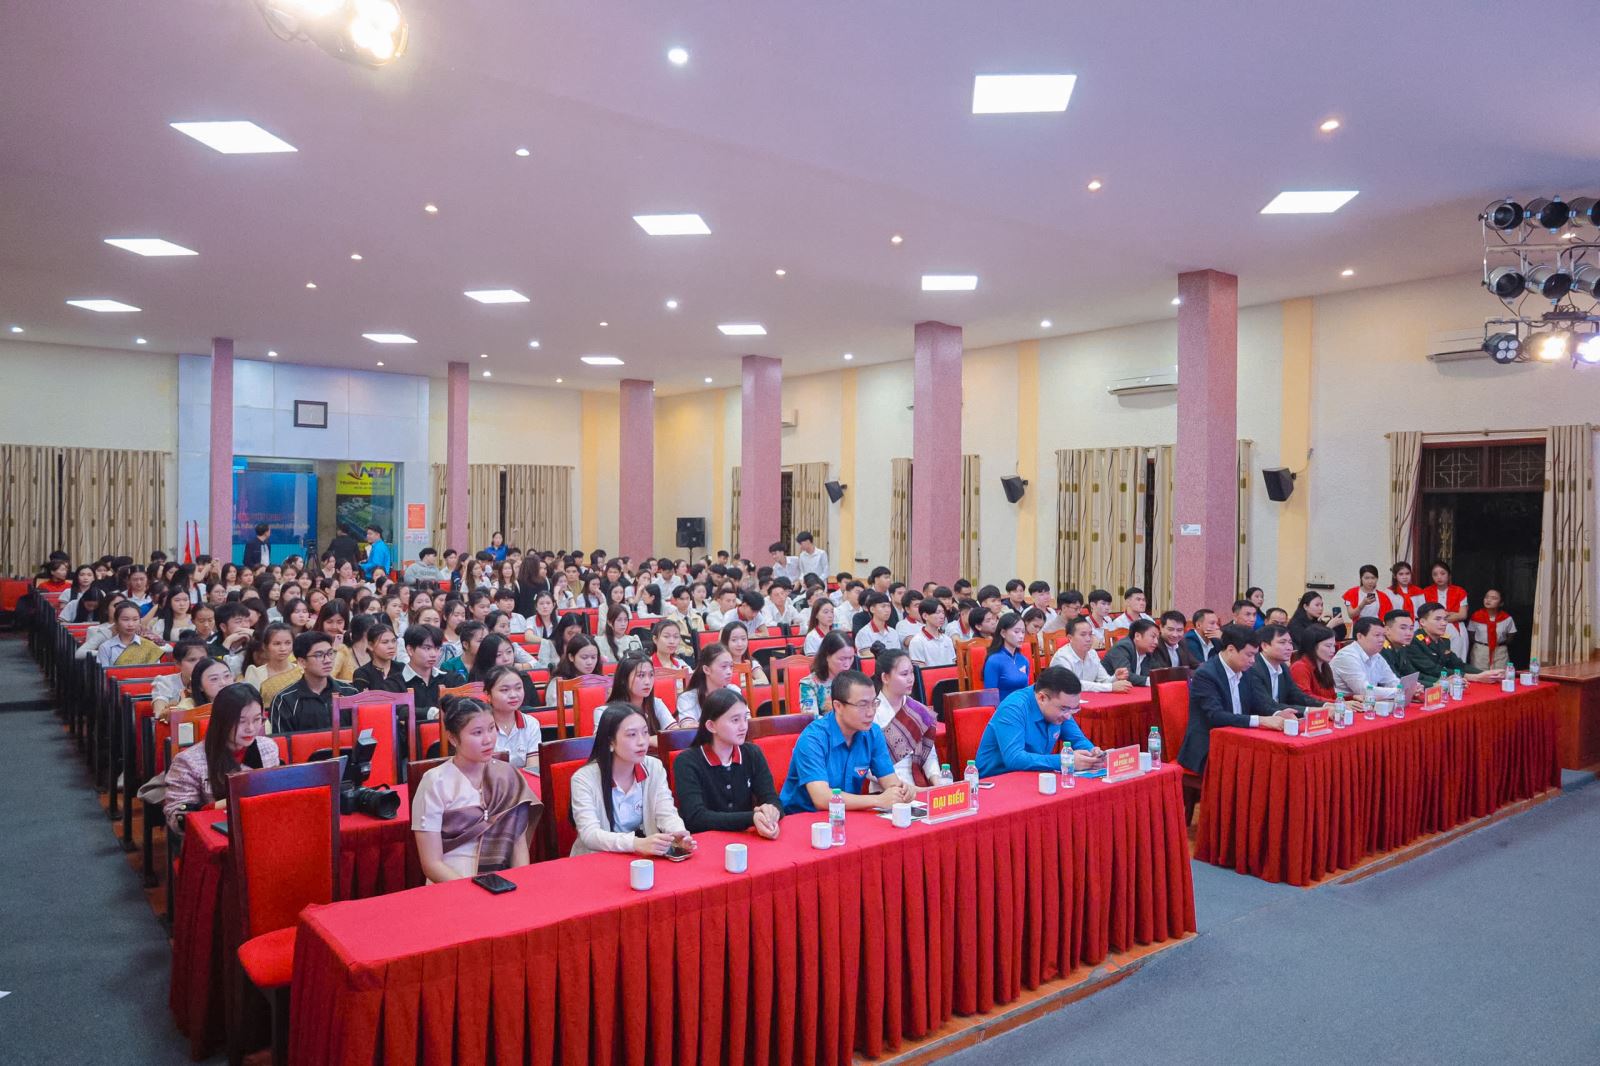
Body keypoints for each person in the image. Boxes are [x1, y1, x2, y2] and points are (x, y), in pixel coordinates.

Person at [411, 696, 539, 882]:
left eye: (491, 728)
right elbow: (432, 864)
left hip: (501, 883)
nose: (488, 739)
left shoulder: (508, 775)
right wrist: (471, 891)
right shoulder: (435, 782)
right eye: (477, 733)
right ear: (453, 738)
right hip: (451, 885)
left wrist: (520, 883)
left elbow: (518, 846)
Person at [569, 703, 695, 857]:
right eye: (632, 735)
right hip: (596, 858)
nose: (642, 741)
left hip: (639, 856)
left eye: (645, 732)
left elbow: (666, 812)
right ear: (610, 742)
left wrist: (678, 832)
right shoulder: (584, 779)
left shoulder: (654, 767)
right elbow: (590, 834)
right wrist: (636, 843)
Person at [779, 670, 912, 813]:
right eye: (862, 705)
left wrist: (900, 791)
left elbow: (890, 782)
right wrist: (878, 800)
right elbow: (821, 798)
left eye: (874, 703)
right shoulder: (813, 738)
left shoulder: (873, 733)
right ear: (838, 706)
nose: (871, 712)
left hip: (846, 815)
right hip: (803, 816)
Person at [161, 683, 280, 835]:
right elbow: (176, 818)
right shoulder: (189, 761)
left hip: (263, 829)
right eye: (241, 721)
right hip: (213, 834)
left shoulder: (268, 748)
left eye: (257, 720)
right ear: (221, 721)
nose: (250, 728)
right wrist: (223, 805)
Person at [1176, 626, 1293, 774]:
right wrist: (1261, 720)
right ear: (1231, 649)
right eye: (1249, 655)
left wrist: (1277, 713)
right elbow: (1216, 716)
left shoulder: (1246, 671)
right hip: (1208, 747)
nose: (1253, 661)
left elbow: (1257, 702)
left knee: (1275, 761)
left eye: (1255, 655)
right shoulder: (1206, 675)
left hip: (1239, 741)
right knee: (1260, 767)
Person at [672, 689, 783, 837]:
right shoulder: (687, 761)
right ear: (711, 726)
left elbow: (772, 799)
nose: (743, 726)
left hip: (746, 838)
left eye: (745, 718)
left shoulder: (752, 753)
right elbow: (695, 818)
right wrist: (751, 818)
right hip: (706, 841)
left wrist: (771, 813)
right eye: (735, 720)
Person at [974, 665, 1103, 778]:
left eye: (1073, 709)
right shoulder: (1013, 709)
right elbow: (1014, 759)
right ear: (1042, 698)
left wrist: (1092, 753)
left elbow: (1078, 740)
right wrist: (1065, 760)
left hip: (1031, 776)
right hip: (996, 780)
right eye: (1064, 709)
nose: (1068, 716)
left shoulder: (1062, 709)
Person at [872, 649, 944, 789]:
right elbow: (867, 766)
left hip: (919, 786)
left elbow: (929, 756)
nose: (911, 679)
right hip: (886, 792)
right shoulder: (872, 713)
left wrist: (937, 783)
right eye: (904, 674)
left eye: (912, 672)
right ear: (885, 678)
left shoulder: (918, 710)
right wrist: (899, 786)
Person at [268, 630, 357, 732]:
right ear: (302, 662)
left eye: (330, 653)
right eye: (319, 655)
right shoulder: (284, 700)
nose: (328, 660)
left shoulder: (350, 692)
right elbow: (282, 739)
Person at [1402, 602, 1501, 686]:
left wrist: (1487, 674)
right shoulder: (1414, 641)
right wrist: (1473, 677)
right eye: (1438, 619)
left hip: (1445, 685)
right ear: (1422, 622)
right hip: (1426, 687)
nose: (1444, 623)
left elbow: (1457, 664)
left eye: (1445, 619)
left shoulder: (1444, 640)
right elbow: (1433, 669)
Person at [1247, 624, 1332, 715]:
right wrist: (1310, 711)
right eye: (1282, 642)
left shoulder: (1283, 667)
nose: (1289, 648)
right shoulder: (1253, 668)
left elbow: (1296, 695)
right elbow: (1267, 704)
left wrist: (1325, 705)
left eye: (1290, 643)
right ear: (1265, 646)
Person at [401, 624, 466, 722]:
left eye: (437, 648)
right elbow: (398, 710)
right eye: (427, 648)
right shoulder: (395, 682)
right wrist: (431, 713)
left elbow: (465, 705)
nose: (434, 654)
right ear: (410, 650)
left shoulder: (453, 679)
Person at [1049, 615, 1132, 692]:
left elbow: (1103, 680)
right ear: (1070, 638)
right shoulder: (1061, 658)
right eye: (1083, 635)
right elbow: (1072, 684)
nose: (1088, 639)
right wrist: (1110, 687)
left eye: (1090, 634)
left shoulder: (1092, 654)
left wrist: (1115, 678)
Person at [480, 664, 540, 768]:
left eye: (518, 688)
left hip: (523, 778)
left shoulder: (531, 724)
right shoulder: (479, 727)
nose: (513, 695)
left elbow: (533, 768)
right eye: (504, 690)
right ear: (488, 695)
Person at [1331, 616, 1403, 702]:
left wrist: (1408, 688)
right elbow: (1364, 690)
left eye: (1383, 635)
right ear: (1360, 636)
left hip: (1366, 704)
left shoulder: (1376, 656)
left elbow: (1392, 681)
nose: (1382, 640)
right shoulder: (1346, 656)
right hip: (1342, 705)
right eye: (1377, 635)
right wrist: (1399, 691)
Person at [605, 655, 680, 732]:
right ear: (623, 680)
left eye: (651, 675)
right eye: (641, 675)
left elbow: (675, 733)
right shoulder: (606, 712)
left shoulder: (656, 703)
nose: (647, 682)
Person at [798, 631, 857, 717]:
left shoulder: (856, 681)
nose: (847, 664)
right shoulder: (809, 684)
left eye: (851, 658)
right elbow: (810, 719)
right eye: (842, 659)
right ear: (827, 656)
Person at [152, 638, 211, 720]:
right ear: (178, 663)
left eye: (203, 659)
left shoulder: (216, 680)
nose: (199, 664)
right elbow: (159, 713)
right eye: (192, 660)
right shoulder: (165, 682)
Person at [676, 642, 735, 723]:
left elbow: (746, 721)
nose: (729, 672)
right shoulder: (688, 698)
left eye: (731, 666)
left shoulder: (734, 691)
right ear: (706, 670)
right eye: (724, 666)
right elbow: (688, 728)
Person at [982, 611, 1033, 700]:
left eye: (1023, 632)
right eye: (1016, 632)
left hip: (1021, 705)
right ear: (1003, 633)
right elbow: (989, 697)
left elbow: (1026, 691)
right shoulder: (994, 660)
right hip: (1002, 706)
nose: (1021, 636)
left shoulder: (1023, 660)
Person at [1424, 562, 1471, 659]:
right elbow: (1425, 616)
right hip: (1433, 631)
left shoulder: (1459, 591)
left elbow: (1463, 615)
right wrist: (1452, 615)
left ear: (1449, 575)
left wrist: (1436, 618)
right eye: (1435, 574)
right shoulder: (1425, 592)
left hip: (1456, 630)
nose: (1439, 577)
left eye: (1442, 573)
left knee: (1457, 660)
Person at [97, 601, 164, 666]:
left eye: (135, 619)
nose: (130, 624)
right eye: (125, 619)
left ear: (140, 621)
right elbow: (103, 672)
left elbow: (155, 671)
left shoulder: (150, 647)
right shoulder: (106, 647)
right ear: (116, 621)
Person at [1467, 589, 1517, 671]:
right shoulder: (1476, 616)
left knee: (1500, 674)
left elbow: (1511, 635)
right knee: (1479, 674)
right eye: (1486, 597)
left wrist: (1499, 644)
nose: (1488, 600)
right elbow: (1471, 635)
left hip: (1500, 650)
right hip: (1481, 650)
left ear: (1501, 603)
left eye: (1494, 598)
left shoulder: (1507, 618)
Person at [1290, 624, 1341, 703]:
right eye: (1328, 646)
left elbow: (1333, 696)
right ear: (1312, 646)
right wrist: (1337, 703)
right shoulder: (1300, 667)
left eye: (1334, 646)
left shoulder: (1325, 666)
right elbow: (1305, 697)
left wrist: (1352, 697)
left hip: (1328, 708)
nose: (1333, 650)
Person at [1101, 618, 1159, 687]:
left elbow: (1153, 672)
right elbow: (1125, 675)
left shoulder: (1148, 651)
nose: (1156, 642)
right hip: (1106, 689)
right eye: (1153, 637)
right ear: (1137, 636)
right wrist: (1150, 680)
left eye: (1157, 638)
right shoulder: (1122, 648)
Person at [352, 622, 406, 693]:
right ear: (370, 645)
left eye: (394, 641)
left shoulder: (402, 668)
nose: (391, 646)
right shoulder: (362, 673)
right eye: (385, 642)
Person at [906, 600, 955, 667]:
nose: (942, 616)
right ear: (925, 616)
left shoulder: (947, 639)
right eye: (938, 612)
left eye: (943, 613)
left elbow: (953, 664)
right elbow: (920, 669)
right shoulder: (917, 641)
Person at [720, 620, 769, 685]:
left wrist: (743, 683)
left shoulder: (751, 662)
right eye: (734, 640)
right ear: (725, 642)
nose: (740, 644)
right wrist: (748, 681)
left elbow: (764, 681)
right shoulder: (720, 664)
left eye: (743, 639)